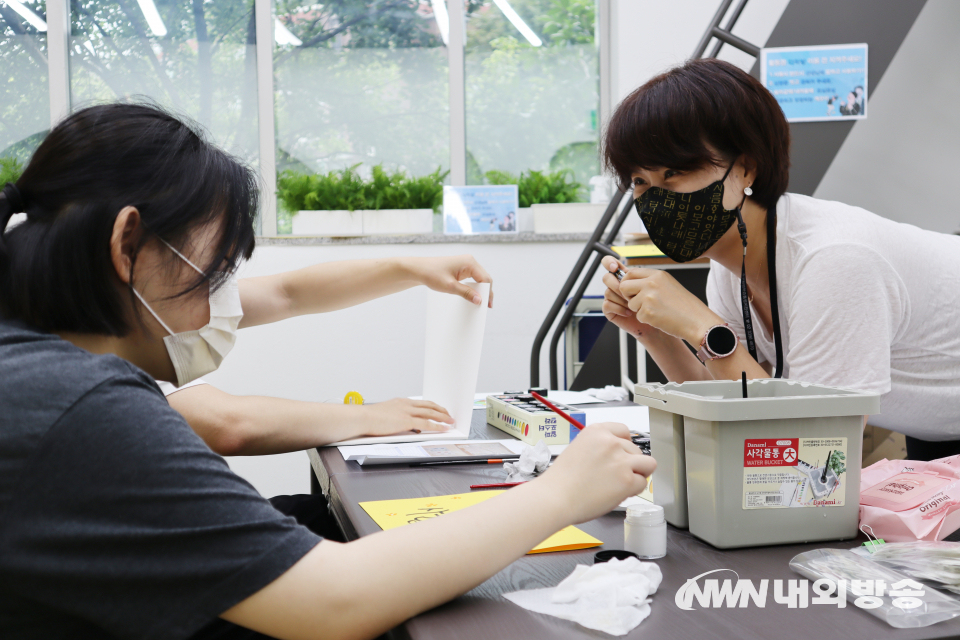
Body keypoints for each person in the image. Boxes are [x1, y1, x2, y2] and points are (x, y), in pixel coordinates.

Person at [0, 103, 655, 640]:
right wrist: (560, 495)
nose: (221, 302)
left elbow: (282, 295)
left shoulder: (36, 344)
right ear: (126, 245)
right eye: (213, 271)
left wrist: (407, 268)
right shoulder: (80, 404)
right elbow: (336, 600)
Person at [600, 58, 960, 462]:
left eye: (675, 172)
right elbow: (735, 397)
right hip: (938, 424)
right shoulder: (730, 264)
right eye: (640, 181)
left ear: (746, 169)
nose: (657, 198)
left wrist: (704, 327)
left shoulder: (834, 259)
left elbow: (819, 452)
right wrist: (656, 332)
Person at [158, 253, 498, 457]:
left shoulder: (162, 302)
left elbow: (287, 293)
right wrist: (371, 417)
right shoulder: (117, 352)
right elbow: (227, 425)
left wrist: (410, 268)